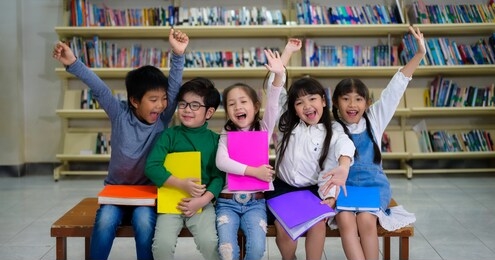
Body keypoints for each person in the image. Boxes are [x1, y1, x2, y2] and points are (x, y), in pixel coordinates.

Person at [52, 29, 189, 260]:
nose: (160, 105)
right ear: (134, 101)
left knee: (144, 223)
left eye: (163, 99)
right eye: (153, 100)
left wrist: (178, 54)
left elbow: (174, 87)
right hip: (114, 194)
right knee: (105, 221)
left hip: (146, 195)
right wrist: (73, 63)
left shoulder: (162, 119)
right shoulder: (119, 114)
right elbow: (99, 88)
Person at [328, 26, 425, 260]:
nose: (352, 105)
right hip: (345, 188)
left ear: (367, 103)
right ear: (336, 102)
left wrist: (419, 54)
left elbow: (396, 86)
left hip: (374, 187)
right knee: (345, 221)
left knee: (366, 220)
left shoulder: (374, 119)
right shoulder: (332, 127)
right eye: (346, 99)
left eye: (358, 99)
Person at [265, 75, 355, 259]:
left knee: (318, 224)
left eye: (312, 99)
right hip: (283, 189)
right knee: (285, 230)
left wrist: (344, 167)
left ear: (323, 101)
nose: (307, 106)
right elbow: (275, 89)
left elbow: (345, 145)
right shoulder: (286, 123)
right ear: (294, 109)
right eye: (299, 102)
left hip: (313, 191)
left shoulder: (334, 129)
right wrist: (284, 58)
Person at [214, 49, 285, 260]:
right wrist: (254, 172)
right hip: (227, 201)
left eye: (243, 102)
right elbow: (221, 161)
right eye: (231, 104)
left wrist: (279, 75)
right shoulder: (226, 133)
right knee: (227, 251)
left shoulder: (263, 128)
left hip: (256, 202)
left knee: (256, 249)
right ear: (227, 111)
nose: (238, 107)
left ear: (255, 107)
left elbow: (273, 102)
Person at [145, 77, 224, 260]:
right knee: (161, 246)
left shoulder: (215, 140)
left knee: (210, 242)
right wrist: (180, 184)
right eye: (183, 104)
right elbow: (152, 166)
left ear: (209, 112)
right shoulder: (169, 135)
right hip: (171, 202)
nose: (187, 109)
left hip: (201, 203)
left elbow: (218, 177)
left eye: (195, 105)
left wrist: (203, 200)